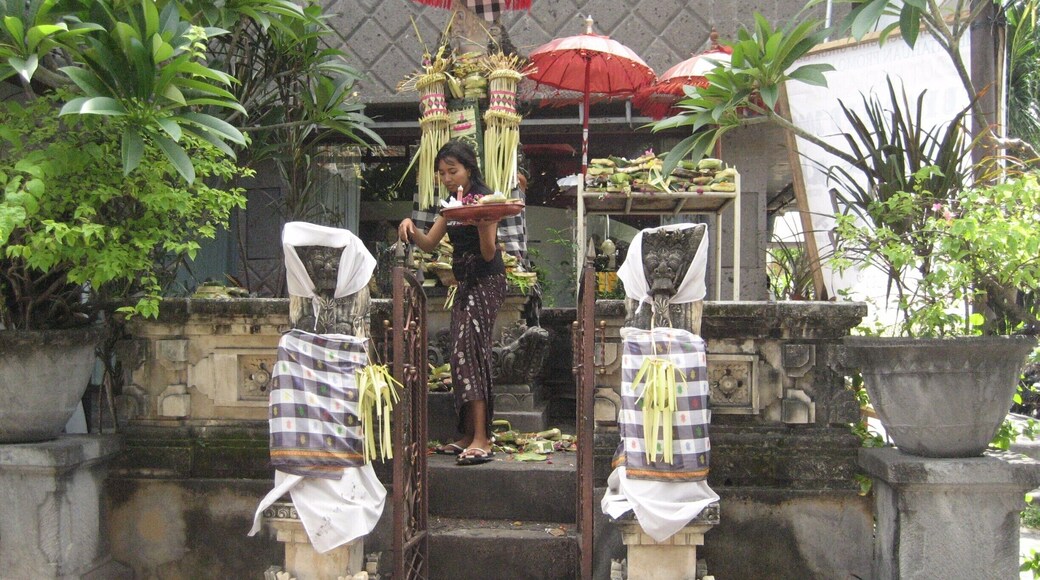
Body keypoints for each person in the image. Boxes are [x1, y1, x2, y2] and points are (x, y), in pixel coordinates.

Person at [398, 140, 505, 466]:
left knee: (471, 352)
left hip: (486, 282)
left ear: (469, 168)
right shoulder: (452, 204)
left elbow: (489, 254)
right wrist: (410, 227)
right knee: (459, 356)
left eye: (452, 171)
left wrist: (485, 224)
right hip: (464, 284)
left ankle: (482, 439)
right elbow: (429, 244)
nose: (446, 177)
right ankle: (467, 434)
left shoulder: (485, 201)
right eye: (442, 173)